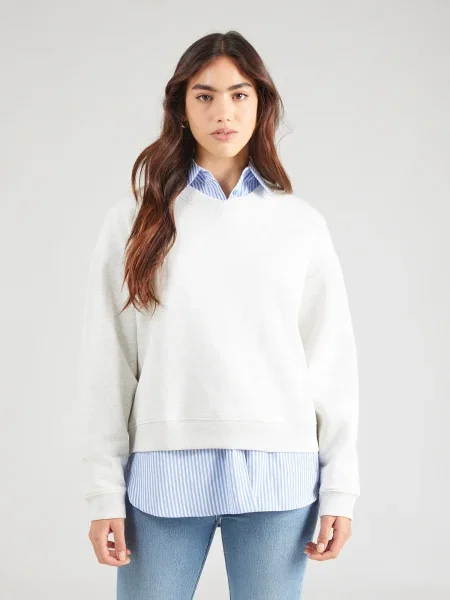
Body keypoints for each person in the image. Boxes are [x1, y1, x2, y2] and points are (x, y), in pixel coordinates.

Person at [80, 30, 360, 599]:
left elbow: (330, 364)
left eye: (239, 95)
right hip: (163, 472)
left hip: (280, 473)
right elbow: (107, 362)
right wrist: (103, 489)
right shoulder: (135, 221)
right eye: (204, 96)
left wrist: (341, 488)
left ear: (262, 104)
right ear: (181, 107)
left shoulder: (300, 225)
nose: (223, 112)